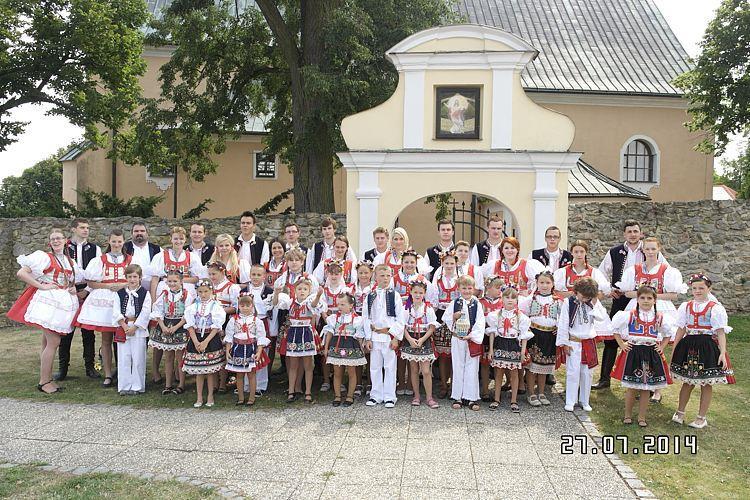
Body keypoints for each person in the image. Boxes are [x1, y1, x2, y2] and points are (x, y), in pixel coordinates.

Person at [594, 219, 666, 391]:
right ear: (624, 234)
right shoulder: (615, 252)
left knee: (648, 339)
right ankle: (605, 379)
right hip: (621, 298)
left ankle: (649, 382)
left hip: (646, 300)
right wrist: (610, 289)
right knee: (612, 338)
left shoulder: (649, 249)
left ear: (641, 233)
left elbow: (664, 269)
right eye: (629, 231)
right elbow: (601, 273)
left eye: (636, 231)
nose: (633, 234)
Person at [8, 229, 82, 394]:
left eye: (58, 238)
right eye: (52, 239)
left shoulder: (69, 261)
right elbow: (21, 273)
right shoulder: (43, 257)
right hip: (47, 303)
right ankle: (44, 382)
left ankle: (46, 378)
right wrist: (42, 286)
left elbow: (70, 281)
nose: (55, 241)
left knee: (46, 342)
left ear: (65, 241)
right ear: (50, 242)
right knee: (54, 342)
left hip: (61, 304)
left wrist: (72, 288)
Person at [615, 237, 685, 403]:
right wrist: (643, 296)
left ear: (659, 249)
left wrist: (651, 296)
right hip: (639, 308)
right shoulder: (635, 269)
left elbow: (674, 295)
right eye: (648, 249)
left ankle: (657, 388)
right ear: (643, 250)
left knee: (657, 349)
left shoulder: (667, 270)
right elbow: (627, 292)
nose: (651, 252)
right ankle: (640, 382)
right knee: (639, 346)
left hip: (661, 309)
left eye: (654, 249)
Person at [670, 274, 733, 429]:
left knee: (706, 383)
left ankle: (701, 417)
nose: (697, 291)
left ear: (709, 289)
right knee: (687, 381)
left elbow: (720, 332)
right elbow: (681, 329)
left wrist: (722, 353)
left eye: (701, 288)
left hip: (706, 346)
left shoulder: (715, 308)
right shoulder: (686, 306)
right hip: (688, 344)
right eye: (694, 288)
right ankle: (680, 412)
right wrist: (675, 348)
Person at [611, 285, 674, 427]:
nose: (646, 301)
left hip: (651, 352)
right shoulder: (630, 315)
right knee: (632, 386)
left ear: (655, 300)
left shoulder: (659, 317)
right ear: (637, 299)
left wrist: (661, 347)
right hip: (634, 352)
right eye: (642, 298)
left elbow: (668, 334)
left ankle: (641, 417)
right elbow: (615, 329)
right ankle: (627, 414)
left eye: (649, 298)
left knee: (646, 387)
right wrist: (622, 344)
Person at [76, 229, 131, 388]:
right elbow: (91, 283)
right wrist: (109, 286)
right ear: (109, 241)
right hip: (105, 301)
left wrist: (122, 285)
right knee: (106, 339)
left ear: (123, 242)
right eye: (114, 241)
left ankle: (123, 372)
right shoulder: (100, 260)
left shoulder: (129, 260)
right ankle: (108, 374)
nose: (116, 244)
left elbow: (136, 279)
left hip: (124, 300)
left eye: (119, 241)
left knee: (123, 339)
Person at [57, 218, 101, 381]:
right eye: (82, 227)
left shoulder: (95, 249)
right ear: (74, 229)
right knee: (65, 331)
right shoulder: (65, 247)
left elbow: (99, 272)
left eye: (87, 228)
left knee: (88, 332)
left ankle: (90, 367)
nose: (86, 230)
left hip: (88, 290)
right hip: (68, 291)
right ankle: (63, 369)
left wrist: (88, 290)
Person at [556, 277, 610, 412]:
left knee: (587, 373)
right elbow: (563, 323)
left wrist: (595, 302)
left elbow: (601, 317)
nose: (585, 299)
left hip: (588, 342)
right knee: (573, 372)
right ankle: (571, 400)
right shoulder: (568, 303)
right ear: (576, 291)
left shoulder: (592, 303)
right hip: (573, 342)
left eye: (588, 297)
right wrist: (564, 343)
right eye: (583, 296)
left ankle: (584, 400)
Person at [273, 278, 326, 404]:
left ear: (309, 291)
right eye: (299, 289)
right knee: (293, 365)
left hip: (306, 333)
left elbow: (314, 305)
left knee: (308, 365)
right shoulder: (290, 302)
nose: (302, 291)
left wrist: (318, 295)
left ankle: (308, 391)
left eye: (305, 289)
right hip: (293, 333)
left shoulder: (308, 302)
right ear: (294, 290)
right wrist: (276, 292)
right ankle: (291, 391)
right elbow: (275, 303)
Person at [362, 264, 405, 408]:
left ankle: (389, 396)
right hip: (375, 337)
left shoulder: (395, 295)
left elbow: (400, 319)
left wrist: (395, 337)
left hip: (388, 337)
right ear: (375, 277)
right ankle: (376, 395)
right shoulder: (370, 295)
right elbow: (366, 317)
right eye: (382, 275)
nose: (385, 278)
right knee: (374, 367)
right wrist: (368, 337)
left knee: (390, 367)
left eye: (388, 276)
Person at [443, 275, 485, 411]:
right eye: (464, 288)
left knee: (472, 367)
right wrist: (453, 317)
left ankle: (471, 397)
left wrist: (471, 335)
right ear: (459, 288)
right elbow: (446, 318)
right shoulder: (455, 303)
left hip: (471, 339)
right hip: (457, 339)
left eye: (469, 288)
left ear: (474, 289)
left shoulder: (477, 304)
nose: (467, 291)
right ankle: (458, 396)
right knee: (458, 365)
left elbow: (480, 322)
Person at [521, 271, 563, 406]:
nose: (544, 285)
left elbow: (562, 319)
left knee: (544, 366)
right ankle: (531, 393)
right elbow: (523, 316)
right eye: (541, 282)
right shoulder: (531, 299)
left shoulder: (558, 301)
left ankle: (541, 392)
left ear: (553, 284)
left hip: (550, 335)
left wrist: (559, 328)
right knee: (532, 366)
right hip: (534, 335)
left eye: (548, 283)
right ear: (537, 284)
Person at [488, 286, 532, 413]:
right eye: (507, 297)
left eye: (513, 298)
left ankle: (514, 400)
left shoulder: (521, 317)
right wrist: (491, 350)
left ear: (517, 300)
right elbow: (492, 333)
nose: (510, 300)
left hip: (514, 344)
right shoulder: (495, 315)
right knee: (498, 373)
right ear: (502, 298)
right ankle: (496, 399)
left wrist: (523, 352)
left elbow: (524, 336)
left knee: (514, 374)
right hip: (500, 343)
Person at [183, 279, 227, 407]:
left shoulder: (216, 307)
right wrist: (196, 341)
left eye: (206, 291)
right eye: (200, 291)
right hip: (196, 337)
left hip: (210, 338)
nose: (203, 294)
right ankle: (199, 397)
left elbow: (216, 326)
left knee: (210, 370)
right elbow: (190, 325)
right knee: (199, 370)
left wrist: (206, 341)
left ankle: (210, 396)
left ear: (211, 291)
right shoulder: (192, 307)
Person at [150, 270, 193, 395]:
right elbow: (158, 310)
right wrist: (163, 326)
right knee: (168, 357)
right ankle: (168, 384)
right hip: (166, 325)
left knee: (180, 357)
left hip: (180, 326)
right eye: (170, 281)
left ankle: (181, 384)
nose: (172, 283)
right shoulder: (164, 294)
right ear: (166, 282)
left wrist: (176, 327)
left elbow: (188, 314)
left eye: (175, 281)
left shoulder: (186, 295)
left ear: (181, 281)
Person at [112, 264, 151, 395]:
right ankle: (124, 385)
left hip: (138, 329)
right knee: (124, 357)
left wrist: (135, 327)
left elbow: (146, 312)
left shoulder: (145, 293)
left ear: (140, 278)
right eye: (130, 277)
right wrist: (124, 326)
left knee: (138, 357)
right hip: (124, 327)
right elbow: (116, 311)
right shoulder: (120, 293)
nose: (132, 279)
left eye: (135, 276)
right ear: (126, 278)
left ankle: (137, 386)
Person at [224, 294, 270, 407]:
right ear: (239, 306)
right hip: (237, 348)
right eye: (242, 305)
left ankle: (251, 397)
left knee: (251, 374)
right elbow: (229, 336)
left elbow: (260, 337)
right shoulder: (233, 320)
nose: (245, 307)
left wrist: (259, 352)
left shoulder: (256, 320)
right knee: (239, 375)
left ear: (252, 306)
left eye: (248, 305)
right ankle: (240, 397)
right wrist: (227, 351)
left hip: (251, 349)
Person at [316, 260, 355, 392]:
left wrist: (336, 320)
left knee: (340, 350)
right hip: (327, 320)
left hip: (342, 322)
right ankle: (327, 380)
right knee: (326, 351)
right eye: (331, 273)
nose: (334, 276)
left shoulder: (346, 290)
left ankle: (340, 380)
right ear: (327, 273)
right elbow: (321, 306)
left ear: (342, 274)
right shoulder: (323, 289)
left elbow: (347, 306)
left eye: (337, 273)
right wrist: (326, 318)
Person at [400, 281, 439, 409]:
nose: (418, 295)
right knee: (414, 370)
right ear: (410, 292)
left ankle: (429, 397)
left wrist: (422, 339)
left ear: (424, 293)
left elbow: (432, 327)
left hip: (424, 338)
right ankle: (416, 396)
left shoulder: (428, 308)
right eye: (415, 292)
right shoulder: (406, 307)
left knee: (426, 371)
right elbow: (402, 326)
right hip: (410, 338)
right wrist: (410, 339)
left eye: (420, 293)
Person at [322, 293, 365, 407]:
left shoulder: (357, 319)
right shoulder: (333, 318)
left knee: (352, 372)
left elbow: (359, 336)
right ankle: (337, 396)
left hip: (351, 345)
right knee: (337, 372)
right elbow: (329, 333)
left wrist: (362, 349)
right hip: (337, 345)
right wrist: (326, 348)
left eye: (343, 304)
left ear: (351, 305)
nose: (339, 307)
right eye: (338, 304)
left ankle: (350, 396)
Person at [431, 251, 462, 399]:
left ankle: (455, 385)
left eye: (452, 263)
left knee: (455, 353)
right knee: (443, 355)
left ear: (456, 264)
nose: (449, 266)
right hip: (442, 318)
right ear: (442, 264)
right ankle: (443, 385)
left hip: (457, 318)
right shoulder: (437, 280)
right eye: (447, 263)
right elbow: (434, 301)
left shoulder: (460, 280)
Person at [207, 261, 241, 394]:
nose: (211, 276)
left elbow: (236, 307)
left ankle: (223, 381)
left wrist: (219, 311)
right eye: (209, 274)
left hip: (226, 321)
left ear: (222, 272)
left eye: (214, 274)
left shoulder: (231, 287)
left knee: (224, 350)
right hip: (210, 322)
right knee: (213, 350)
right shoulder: (209, 286)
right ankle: (214, 382)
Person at [243, 265, 275, 395]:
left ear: (264, 276)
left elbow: (271, 309)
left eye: (259, 275)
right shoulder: (244, 290)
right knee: (246, 352)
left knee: (261, 353)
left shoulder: (269, 291)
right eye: (253, 274)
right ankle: (246, 384)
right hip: (246, 323)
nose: (255, 277)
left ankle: (260, 385)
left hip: (262, 323)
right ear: (249, 275)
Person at [149, 227, 203, 299]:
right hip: (166, 290)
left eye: (181, 239)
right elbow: (154, 280)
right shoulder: (161, 256)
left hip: (186, 290)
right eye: (175, 239)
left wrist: (178, 281)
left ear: (185, 240)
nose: (178, 241)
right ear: (171, 239)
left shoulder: (192, 256)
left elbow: (197, 278)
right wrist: (153, 300)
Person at [479, 276, 504, 400]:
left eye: (501, 288)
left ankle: (497, 392)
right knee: (484, 363)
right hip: (484, 335)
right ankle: (485, 390)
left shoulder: (502, 302)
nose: (500, 290)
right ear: (488, 287)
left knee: (497, 363)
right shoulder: (480, 302)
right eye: (498, 287)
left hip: (499, 336)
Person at [123, 222, 161, 290]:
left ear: (147, 233)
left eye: (142, 231)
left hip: (153, 289)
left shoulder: (157, 250)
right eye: (136, 231)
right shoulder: (124, 248)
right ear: (132, 233)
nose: (139, 233)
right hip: (129, 288)